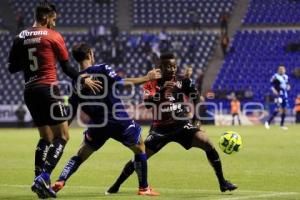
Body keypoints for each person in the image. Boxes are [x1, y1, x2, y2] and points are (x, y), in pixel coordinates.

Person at [106, 53, 237, 194]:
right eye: (168, 66)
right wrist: (162, 90)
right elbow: (148, 104)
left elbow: (197, 98)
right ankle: (116, 185)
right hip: (160, 129)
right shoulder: (151, 82)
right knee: (140, 155)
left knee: (207, 143)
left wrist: (196, 119)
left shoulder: (183, 81)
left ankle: (222, 183)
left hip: (181, 124)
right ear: (160, 67)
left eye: (174, 66)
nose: (172, 69)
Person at [7, 2, 101, 198]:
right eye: (53, 19)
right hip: (49, 89)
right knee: (64, 136)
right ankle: (43, 177)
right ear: (45, 17)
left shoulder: (19, 37)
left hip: (29, 90)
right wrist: (83, 78)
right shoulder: (53, 36)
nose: (55, 24)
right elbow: (67, 68)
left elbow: (12, 68)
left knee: (46, 138)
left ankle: (37, 180)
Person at [51, 43, 161, 196]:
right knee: (140, 147)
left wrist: (63, 130)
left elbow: (73, 109)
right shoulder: (101, 68)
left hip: (97, 125)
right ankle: (144, 188)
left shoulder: (75, 81)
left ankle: (61, 179)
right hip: (118, 119)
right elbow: (122, 83)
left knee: (80, 155)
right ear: (90, 54)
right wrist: (147, 78)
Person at [265, 66, 290, 130]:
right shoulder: (275, 76)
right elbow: (270, 84)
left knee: (284, 109)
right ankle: (267, 122)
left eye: (283, 70)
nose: (283, 71)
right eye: (281, 70)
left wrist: (288, 87)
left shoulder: (286, 77)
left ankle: (282, 125)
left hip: (285, 95)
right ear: (279, 70)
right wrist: (274, 90)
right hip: (279, 95)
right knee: (278, 109)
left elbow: (287, 84)